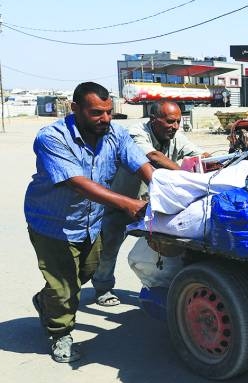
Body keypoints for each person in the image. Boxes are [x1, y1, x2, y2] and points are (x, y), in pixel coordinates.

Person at [25, 82, 155, 363]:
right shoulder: (52, 137)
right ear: (75, 108)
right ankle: (59, 333)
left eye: (109, 112)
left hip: (91, 221)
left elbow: (141, 164)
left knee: (85, 272)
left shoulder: (115, 133)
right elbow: (78, 183)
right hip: (52, 223)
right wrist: (129, 204)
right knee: (65, 286)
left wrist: (165, 190)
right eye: (96, 113)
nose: (105, 118)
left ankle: (46, 300)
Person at [91, 101, 205, 307]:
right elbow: (153, 157)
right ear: (153, 120)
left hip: (154, 205)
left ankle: (168, 287)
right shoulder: (136, 133)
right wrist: (186, 176)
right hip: (123, 202)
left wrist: (212, 161)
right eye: (170, 121)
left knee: (174, 245)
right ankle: (103, 287)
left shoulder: (176, 136)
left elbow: (198, 155)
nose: (175, 126)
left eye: (178, 121)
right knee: (109, 246)